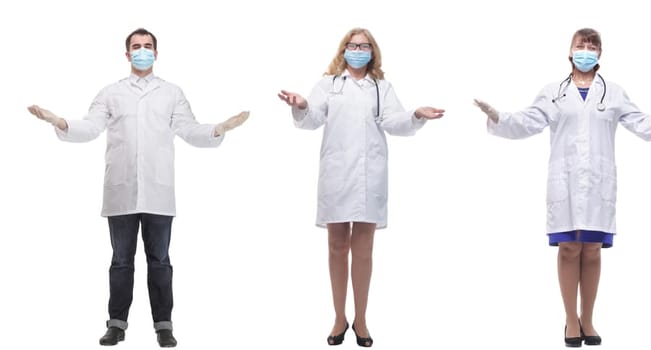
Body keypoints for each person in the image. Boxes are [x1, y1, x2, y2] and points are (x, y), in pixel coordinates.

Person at [472, 27, 651, 348]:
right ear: (569, 52)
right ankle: (571, 319)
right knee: (570, 248)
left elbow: (643, 123)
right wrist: (498, 118)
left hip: (599, 184)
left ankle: (589, 318)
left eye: (592, 45)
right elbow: (528, 121)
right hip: (566, 182)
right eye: (580, 45)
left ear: (600, 53)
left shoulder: (612, 92)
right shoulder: (553, 92)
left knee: (593, 250)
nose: (586, 50)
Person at [25, 28, 250, 348]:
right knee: (121, 260)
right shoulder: (110, 93)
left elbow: (188, 129)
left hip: (158, 191)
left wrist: (219, 129)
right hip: (121, 190)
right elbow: (90, 127)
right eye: (136, 47)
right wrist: (59, 122)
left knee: (160, 260)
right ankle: (116, 324)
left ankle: (164, 325)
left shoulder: (171, 92)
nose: (142, 51)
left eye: (148, 46)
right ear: (127, 54)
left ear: (156, 54)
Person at [277, 27, 444, 348]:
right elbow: (312, 119)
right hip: (336, 174)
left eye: (364, 46)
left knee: (364, 250)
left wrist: (416, 115)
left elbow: (394, 122)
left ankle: (362, 319)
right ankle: (339, 317)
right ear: (343, 50)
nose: (358, 50)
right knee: (337, 246)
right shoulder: (329, 84)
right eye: (352, 45)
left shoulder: (381, 87)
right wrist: (299, 105)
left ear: (373, 52)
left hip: (371, 174)